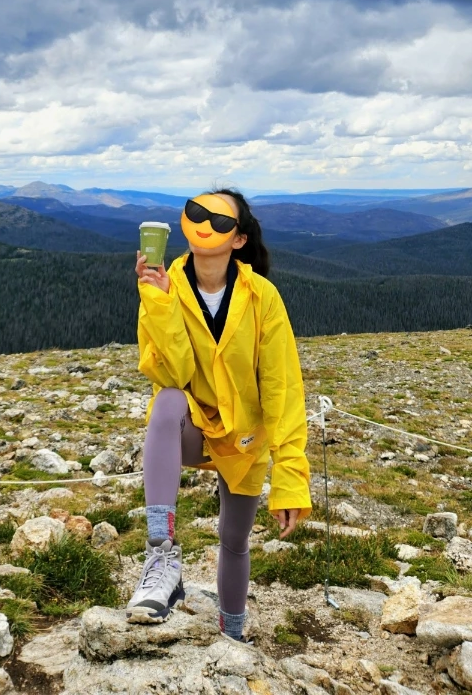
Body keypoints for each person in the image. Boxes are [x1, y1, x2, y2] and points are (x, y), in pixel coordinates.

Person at [127, 188, 311, 641]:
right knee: (168, 400)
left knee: (234, 539)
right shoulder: (165, 285)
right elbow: (173, 373)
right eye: (196, 212)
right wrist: (158, 301)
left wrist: (289, 478)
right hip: (191, 427)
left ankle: (233, 634)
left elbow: (282, 387)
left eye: (220, 221)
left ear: (239, 239)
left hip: (245, 440)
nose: (205, 224)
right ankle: (162, 556)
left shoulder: (262, 297)